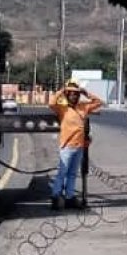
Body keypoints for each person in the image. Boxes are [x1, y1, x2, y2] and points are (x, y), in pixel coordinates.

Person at [47, 80, 104, 209]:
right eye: (72, 94)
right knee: (62, 172)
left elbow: (99, 103)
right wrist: (62, 90)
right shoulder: (63, 109)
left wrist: (86, 93)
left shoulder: (83, 107)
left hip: (79, 146)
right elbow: (51, 103)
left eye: (76, 94)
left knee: (72, 174)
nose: (74, 96)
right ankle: (56, 197)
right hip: (67, 146)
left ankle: (69, 197)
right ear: (67, 95)